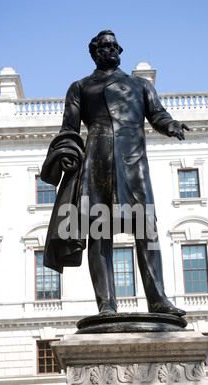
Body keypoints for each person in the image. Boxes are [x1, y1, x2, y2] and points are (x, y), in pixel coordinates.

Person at [42, 30, 189, 317]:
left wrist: (170, 125)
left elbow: (157, 114)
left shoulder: (139, 85)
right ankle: (106, 305)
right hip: (97, 161)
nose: (109, 50)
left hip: (134, 163)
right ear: (94, 52)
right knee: (100, 233)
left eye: (113, 46)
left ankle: (158, 299)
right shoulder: (80, 87)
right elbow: (69, 129)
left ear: (120, 50)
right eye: (103, 46)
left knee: (147, 230)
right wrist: (68, 153)